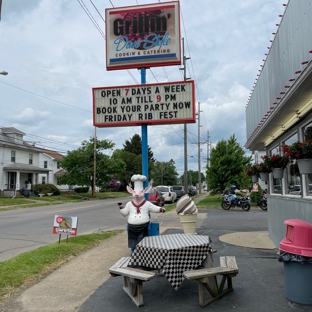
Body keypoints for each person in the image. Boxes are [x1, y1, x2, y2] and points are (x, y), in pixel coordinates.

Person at [119, 174, 165, 253]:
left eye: (140, 192)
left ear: (144, 192)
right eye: (134, 192)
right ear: (131, 192)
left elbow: (154, 208)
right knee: (133, 240)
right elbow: (124, 213)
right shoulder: (129, 204)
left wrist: (160, 209)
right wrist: (121, 208)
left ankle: (142, 253)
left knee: (144, 241)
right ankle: (134, 253)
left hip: (144, 226)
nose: (137, 194)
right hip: (131, 227)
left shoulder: (146, 204)